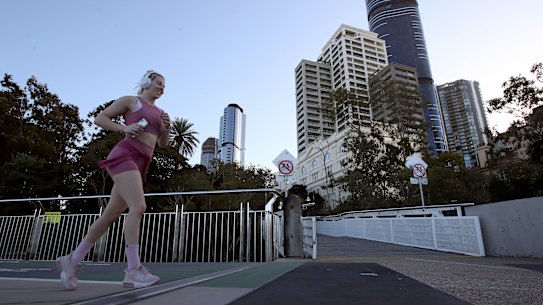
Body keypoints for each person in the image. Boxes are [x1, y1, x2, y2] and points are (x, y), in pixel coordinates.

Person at [56, 70, 171, 290]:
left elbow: (163, 144)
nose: (161, 88)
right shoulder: (132, 101)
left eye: (164, 86)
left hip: (141, 163)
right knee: (138, 207)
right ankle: (133, 270)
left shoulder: (161, 112)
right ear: (147, 82)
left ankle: (72, 260)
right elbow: (100, 118)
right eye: (158, 83)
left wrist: (166, 128)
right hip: (124, 155)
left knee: (110, 215)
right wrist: (124, 127)